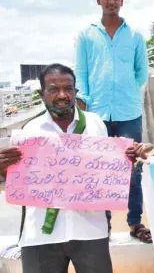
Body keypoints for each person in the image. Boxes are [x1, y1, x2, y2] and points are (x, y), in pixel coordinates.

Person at [0, 64, 137, 273]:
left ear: (75, 92)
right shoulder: (29, 131)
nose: (62, 95)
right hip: (40, 234)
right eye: (54, 89)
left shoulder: (95, 124)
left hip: (90, 228)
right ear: (42, 94)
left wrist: (125, 160)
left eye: (69, 89)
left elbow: (107, 170)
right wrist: (3, 169)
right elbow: (20, 182)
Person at [74, 0, 151, 243]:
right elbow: (81, 72)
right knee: (100, 168)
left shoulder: (135, 36)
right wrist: (84, 99)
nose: (111, 2)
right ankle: (103, 224)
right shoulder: (86, 35)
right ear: (98, 0)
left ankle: (135, 222)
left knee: (133, 168)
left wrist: (126, 89)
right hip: (96, 114)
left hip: (129, 111)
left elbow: (142, 74)